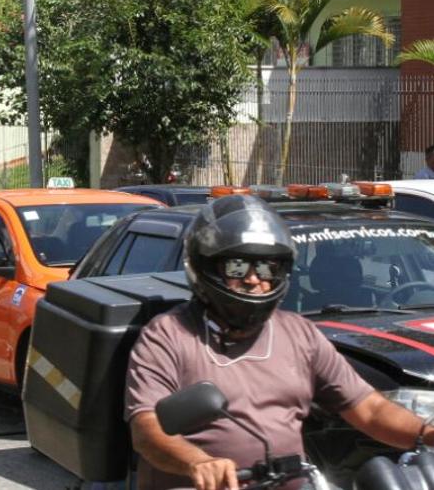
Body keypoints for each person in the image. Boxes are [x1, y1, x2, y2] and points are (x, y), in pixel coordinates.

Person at [125, 194, 434, 490]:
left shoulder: (300, 335)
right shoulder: (168, 335)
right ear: (205, 267)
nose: (253, 279)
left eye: (266, 268)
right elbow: (147, 428)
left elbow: (369, 409)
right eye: (236, 267)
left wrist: (425, 433)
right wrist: (198, 462)